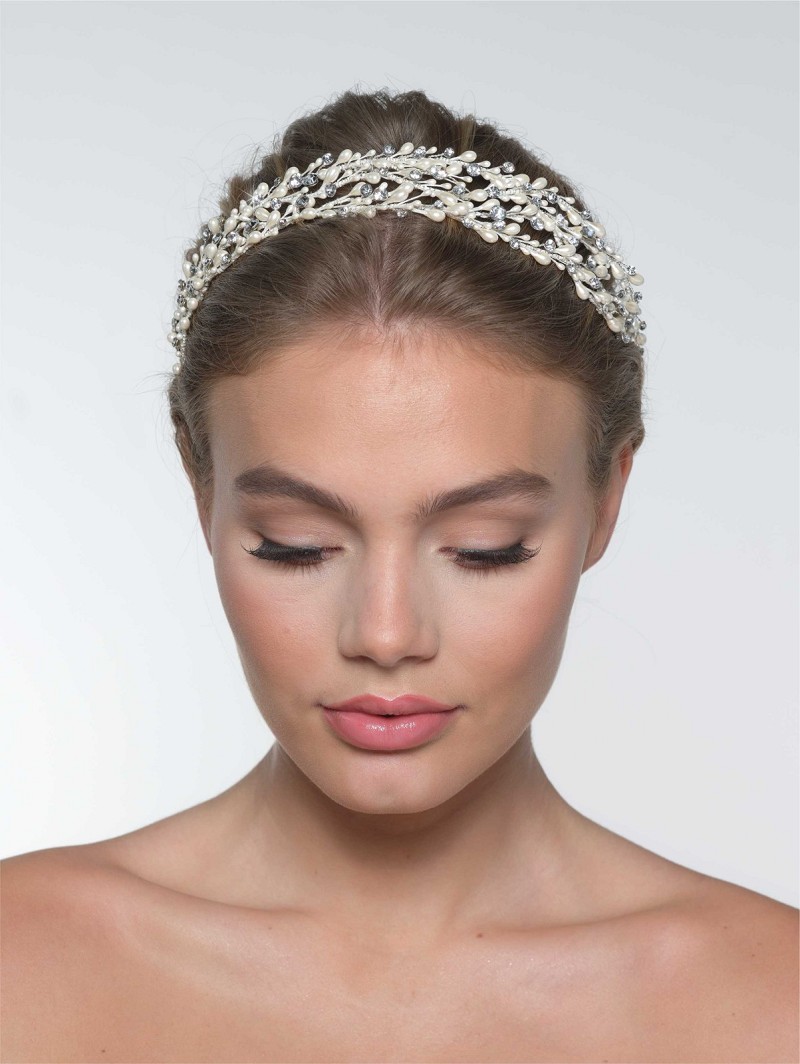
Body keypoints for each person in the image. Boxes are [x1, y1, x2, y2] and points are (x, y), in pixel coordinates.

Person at [2, 87, 797, 1064]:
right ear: (199, 484)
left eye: (485, 546)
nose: (384, 634)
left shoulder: (772, 1005)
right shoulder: (21, 965)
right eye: (295, 542)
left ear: (606, 497)